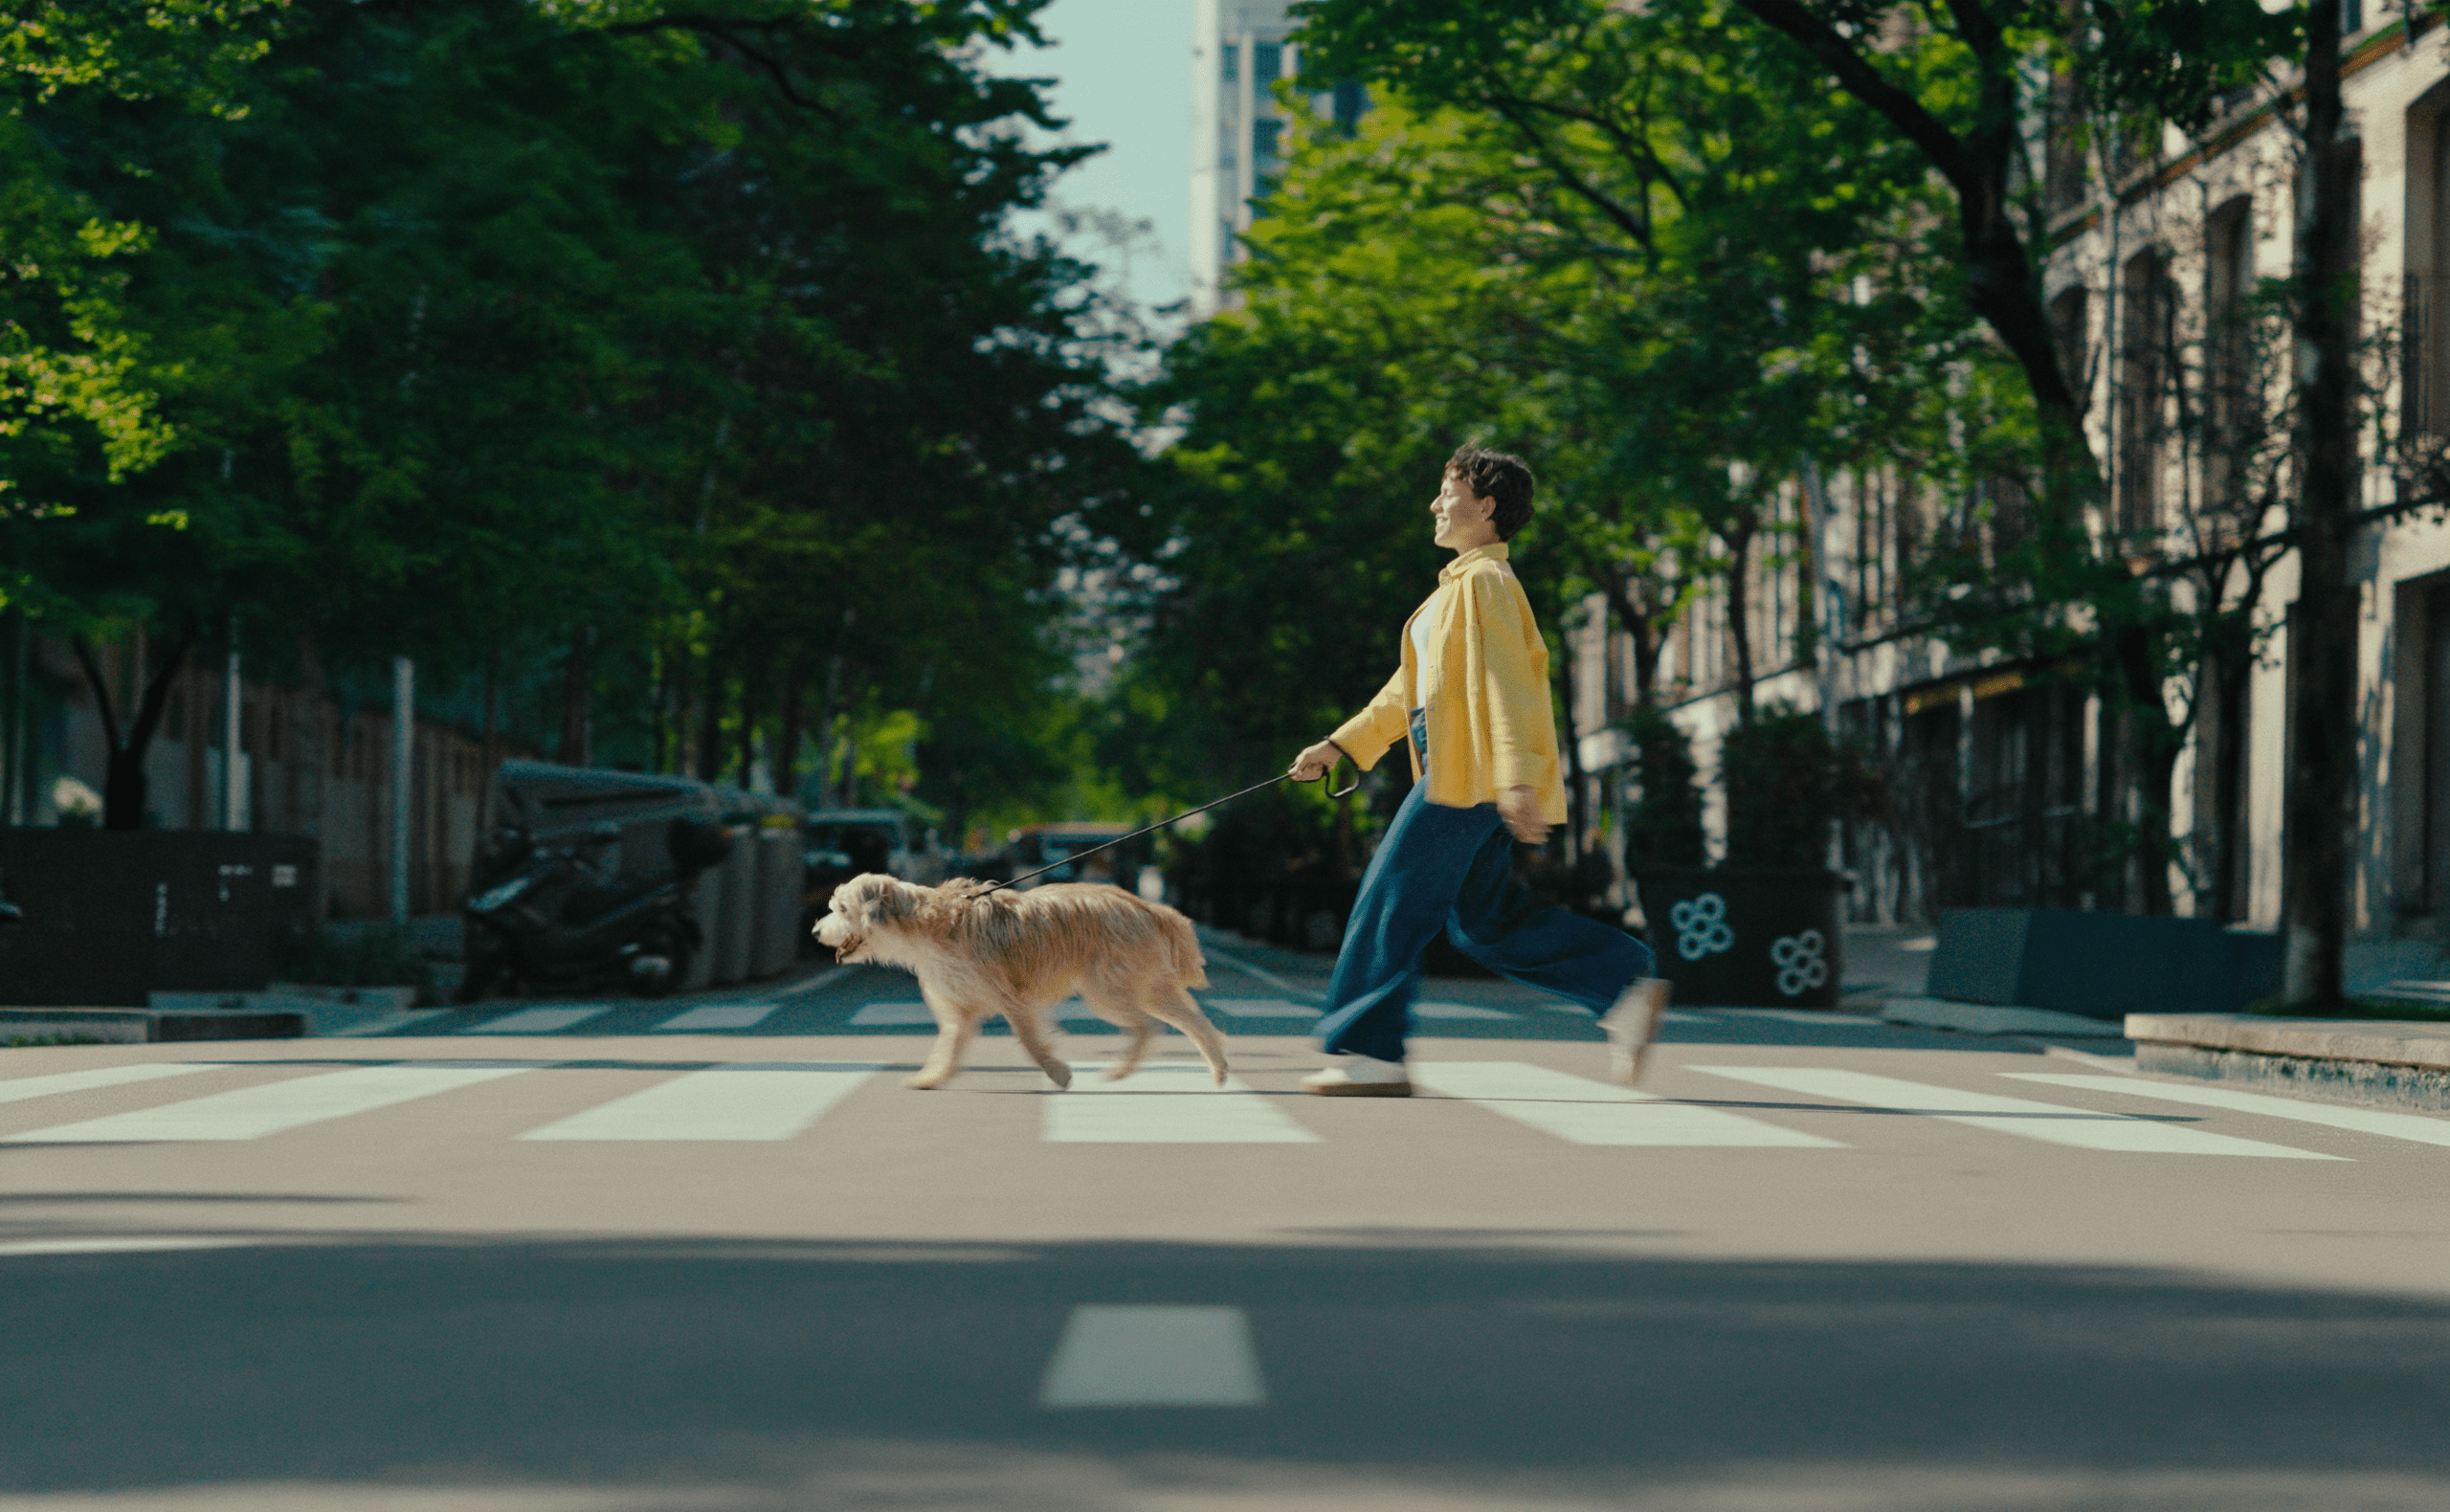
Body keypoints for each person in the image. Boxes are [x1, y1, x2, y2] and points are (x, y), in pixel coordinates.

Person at [1286, 445, 1671, 1097]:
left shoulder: (1488, 584)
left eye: (1448, 492)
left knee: (1391, 900)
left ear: (1486, 506)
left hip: (1465, 777)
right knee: (1483, 920)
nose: (1436, 505)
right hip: (1462, 772)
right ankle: (1623, 985)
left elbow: (1512, 685)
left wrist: (1517, 778)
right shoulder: (1456, 590)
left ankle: (1370, 1052)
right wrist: (1342, 745)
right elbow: (1403, 691)